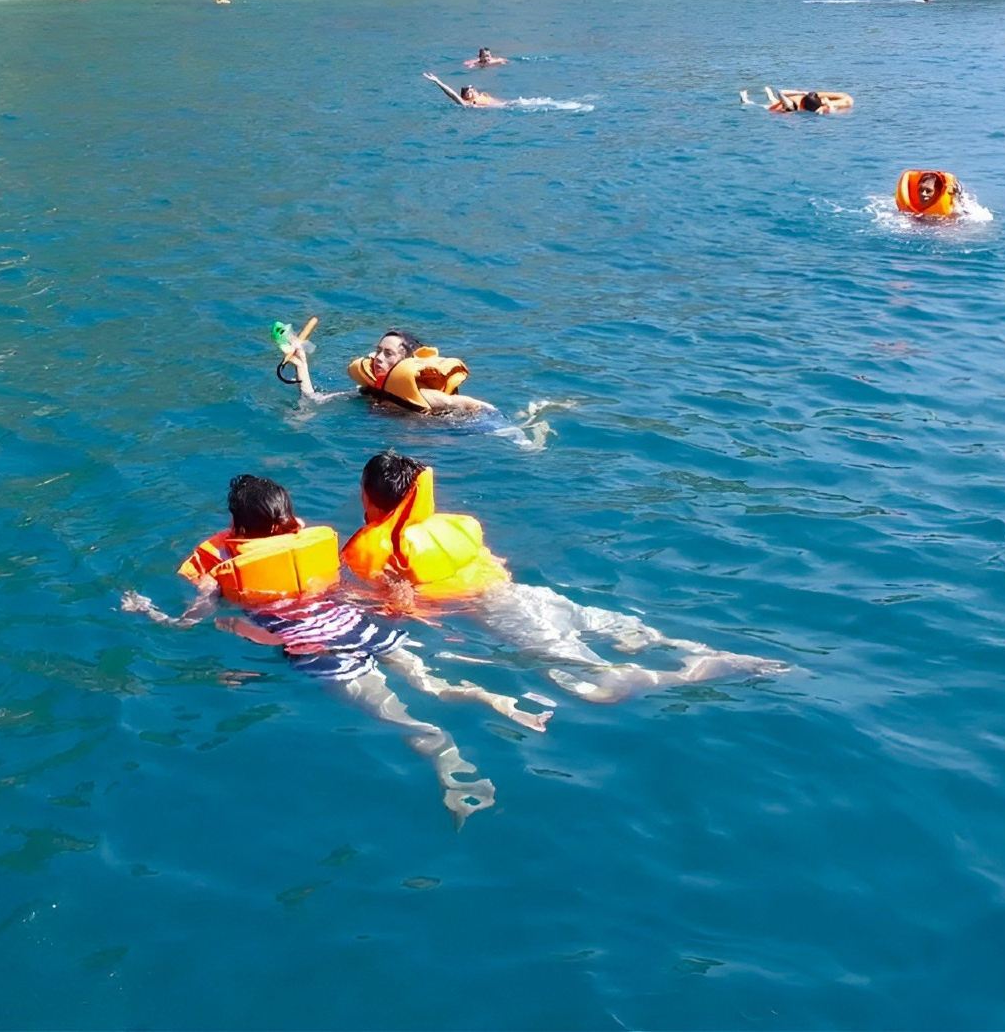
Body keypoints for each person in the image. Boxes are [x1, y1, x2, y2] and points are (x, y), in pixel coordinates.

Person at [121, 475, 546, 824]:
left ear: (236, 526)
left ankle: (452, 772)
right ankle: (499, 701)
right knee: (433, 683)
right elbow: (344, 591)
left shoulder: (219, 568)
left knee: (398, 716)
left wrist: (146, 612)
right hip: (356, 624)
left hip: (315, 648)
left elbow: (187, 622)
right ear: (288, 519)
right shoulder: (312, 545)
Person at [347, 452, 788, 704]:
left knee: (595, 681)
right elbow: (493, 560)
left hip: (494, 609)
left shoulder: (382, 551)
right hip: (524, 594)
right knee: (611, 625)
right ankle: (700, 652)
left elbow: (402, 605)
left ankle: (678, 676)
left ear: (368, 498)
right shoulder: (451, 526)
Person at [282, 331, 495, 417]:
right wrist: (301, 364)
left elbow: (470, 404)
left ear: (405, 362)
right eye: (378, 351)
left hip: (441, 435)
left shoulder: (423, 394)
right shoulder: (370, 391)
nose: (378, 358)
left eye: (388, 353)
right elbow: (314, 401)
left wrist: (512, 433)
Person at [423, 73, 505, 108]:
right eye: (468, 91)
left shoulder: (483, 95)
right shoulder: (467, 104)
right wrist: (437, 82)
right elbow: (452, 94)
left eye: (472, 89)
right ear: (465, 96)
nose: (470, 90)